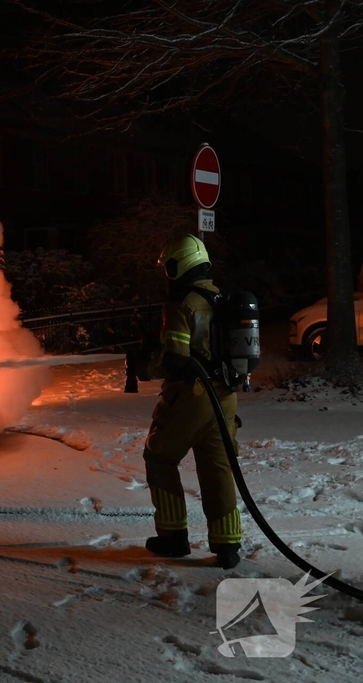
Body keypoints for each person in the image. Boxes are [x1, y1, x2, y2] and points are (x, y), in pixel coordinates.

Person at [128, 233, 241, 569]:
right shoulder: (218, 296)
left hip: (192, 398)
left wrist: (145, 368)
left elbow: (176, 359)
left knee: (159, 457)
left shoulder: (181, 303)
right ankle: (228, 544)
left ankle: (173, 536)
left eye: (169, 266)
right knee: (217, 467)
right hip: (225, 398)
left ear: (179, 265)